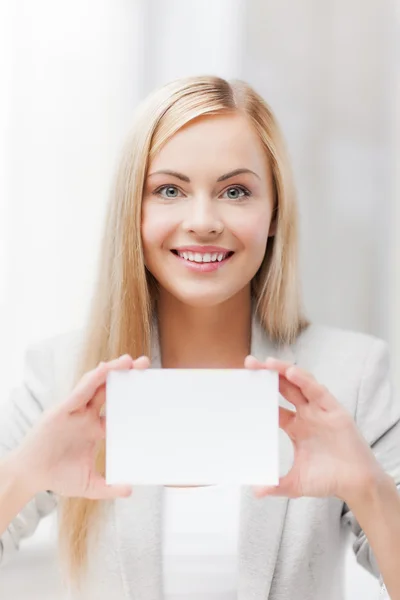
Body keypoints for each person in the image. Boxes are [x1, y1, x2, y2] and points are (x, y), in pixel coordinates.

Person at [0, 75, 399, 600]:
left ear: (275, 210)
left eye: (236, 191)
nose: (203, 221)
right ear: (132, 212)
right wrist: (22, 476)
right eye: (169, 190)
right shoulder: (62, 376)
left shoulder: (355, 376)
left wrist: (368, 488)